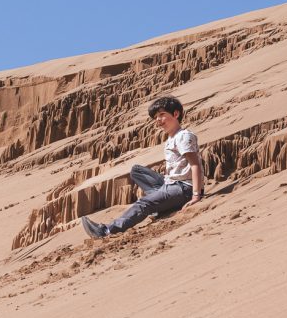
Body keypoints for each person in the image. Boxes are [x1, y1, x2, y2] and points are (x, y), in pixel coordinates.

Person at [81, 96, 204, 239]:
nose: (158, 120)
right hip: (171, 183)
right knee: (137, 171)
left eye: (162, 115)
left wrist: (196, 195)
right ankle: (160, 204)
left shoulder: (183, 136)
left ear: (176, 114)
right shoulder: (172, 137)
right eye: (156, 117)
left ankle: (107, 231)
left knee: (144, 203)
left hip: (184, 188)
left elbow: (195, 165)